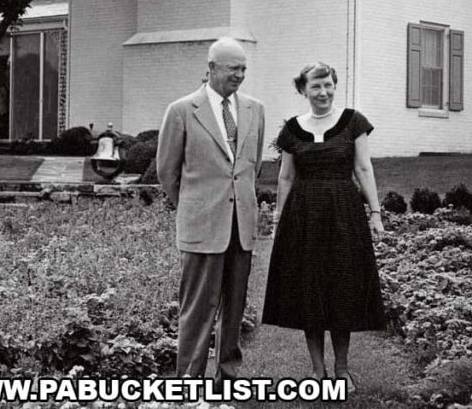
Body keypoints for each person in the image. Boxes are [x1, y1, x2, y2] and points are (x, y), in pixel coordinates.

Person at [261, 62, 386, 393]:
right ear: (303, 90)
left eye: (328, 85)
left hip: (343, 213)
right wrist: (278, 218)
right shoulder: (292, 129)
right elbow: (286, 177)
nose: (324, 92)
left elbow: (363, 168)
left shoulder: (353, 122)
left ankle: (342, 368)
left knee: (341, 287)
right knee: (310, 290)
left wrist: (375, 212)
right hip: (303, 217)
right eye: (316, 86)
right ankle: (318, 371)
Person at [157, 37, 266, 380]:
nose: (240, 75)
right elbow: (167, 172)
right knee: (198, 309)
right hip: (202, 226)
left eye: (244, 68)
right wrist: (194, 206)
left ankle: (227, 376)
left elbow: (253, 167)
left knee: (234, 308)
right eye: (233, 68)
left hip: (241, 227)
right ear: (211, 68)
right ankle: (189, 379)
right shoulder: (181, 110)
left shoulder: (255, 109)